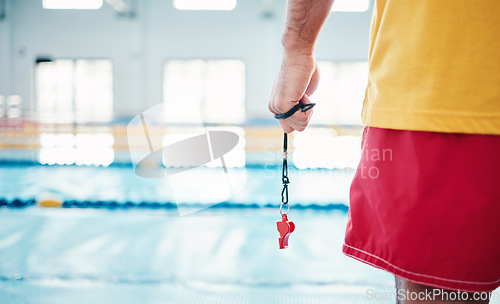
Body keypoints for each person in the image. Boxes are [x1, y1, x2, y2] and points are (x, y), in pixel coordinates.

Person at [268, 0, 500, 303]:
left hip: (440, 89)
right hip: (446, 92)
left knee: (436, 286)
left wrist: (297, 49)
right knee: (438, 284)